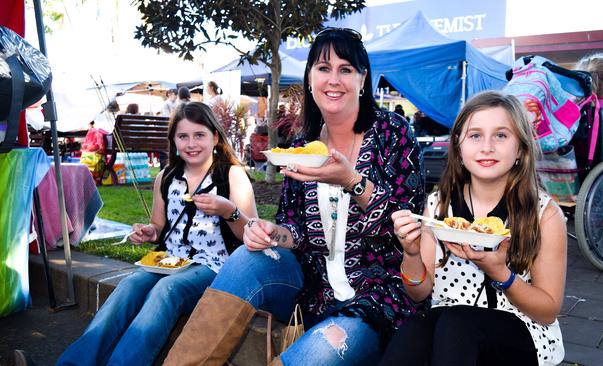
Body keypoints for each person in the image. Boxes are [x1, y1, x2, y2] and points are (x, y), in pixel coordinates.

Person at [163, 27, 425, 366]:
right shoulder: (301, 147)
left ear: (363, 79)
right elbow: (295, 230)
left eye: (345, 69)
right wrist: (274, 233)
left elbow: (407, 226)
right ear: (310, 77)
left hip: (377, 299)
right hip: (313, 291)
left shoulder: (394, 134)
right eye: (323, 68)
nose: (333, 79)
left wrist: (352, 180)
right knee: (246, 257)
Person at [56, 102, 258, 366]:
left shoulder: (231, 176)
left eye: (199, 135)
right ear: (173, 140)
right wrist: (149, 232)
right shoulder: (166, 177)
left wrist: (228, 211)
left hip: (213, 266)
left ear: (215, 138)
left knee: (167, 290)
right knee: (129, 284)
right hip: (169, 261)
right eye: (183, 136)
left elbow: (252, 235)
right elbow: (159, 227)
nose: (191, 143)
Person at [381, 91, 567, 365]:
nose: (487, 147)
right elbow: (418, 292)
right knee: (415, 328)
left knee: (458, 323)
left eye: (501, 135)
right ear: (458, 147)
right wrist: (410, 254)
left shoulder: (543, 214)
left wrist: (500, 272)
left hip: (521, 335)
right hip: (449, 330)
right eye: (475, 135)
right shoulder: (438, 206)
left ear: (520, 149)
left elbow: (547, 311)